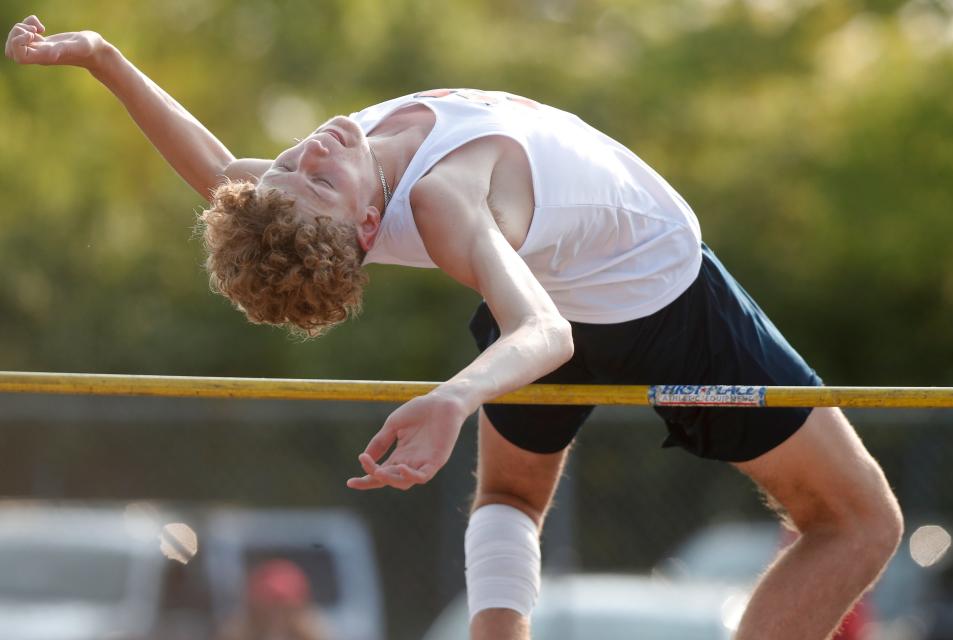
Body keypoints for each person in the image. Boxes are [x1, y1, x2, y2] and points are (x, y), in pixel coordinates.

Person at [6, 15, 904, 640]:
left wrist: (106, 61)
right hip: (659, 298)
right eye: (315, 180)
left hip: (544, 289)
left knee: (510, 499)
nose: (309, 152)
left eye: (288, 165)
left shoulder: (309, 185)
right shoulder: (441, 200)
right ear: (366, 232)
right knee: (861, 523)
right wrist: (454, 399)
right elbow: (545, 334)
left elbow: (219, 173)